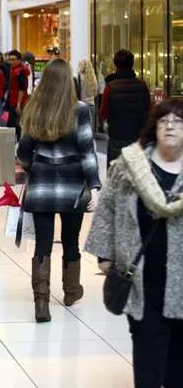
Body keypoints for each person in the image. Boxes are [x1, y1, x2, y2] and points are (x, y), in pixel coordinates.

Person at [85, 98, 183, 388]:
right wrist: (105, 253)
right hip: (143, 279)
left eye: (178, 121)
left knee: (178, 370)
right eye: (164, 120)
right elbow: (108, 208)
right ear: (154, 127)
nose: (170, 127)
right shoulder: (130, 165)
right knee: (148, 368)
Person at [17, 59, 101, 323]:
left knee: (42, 243)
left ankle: (41, 300)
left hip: (41, 186)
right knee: (70, 240)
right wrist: (95, 187)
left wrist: (35, 167)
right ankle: (71, 290)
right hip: (73, 186)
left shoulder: (34, 109)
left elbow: (23, 151)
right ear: (69, 82)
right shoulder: (80, 110)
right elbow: (87, 152)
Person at [100, 49, 151, 165]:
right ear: (132, 64)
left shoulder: (110, 87)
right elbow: (149, 110)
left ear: (115, 64)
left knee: (115, 174)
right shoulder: (142, 86)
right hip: (138, 137)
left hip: (117, 136)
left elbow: (103, 113)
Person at [6, 50, 30, 139]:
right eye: (9, 60)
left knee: (13, 124)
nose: (11, 62)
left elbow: (22, 88)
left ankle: (17, 143)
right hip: (13, 101)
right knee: (14, 123)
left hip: (17, 102)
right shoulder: (14, 69)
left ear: (19, 60)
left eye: (13, 59)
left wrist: (19, 104)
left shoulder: (20, 71)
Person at [75, 59, 98, 127]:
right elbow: (95, 92)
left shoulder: (78, 77)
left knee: (82, 130)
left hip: (82, 105)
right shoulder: (93, 78)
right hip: (92, 105)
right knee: (91, 130)